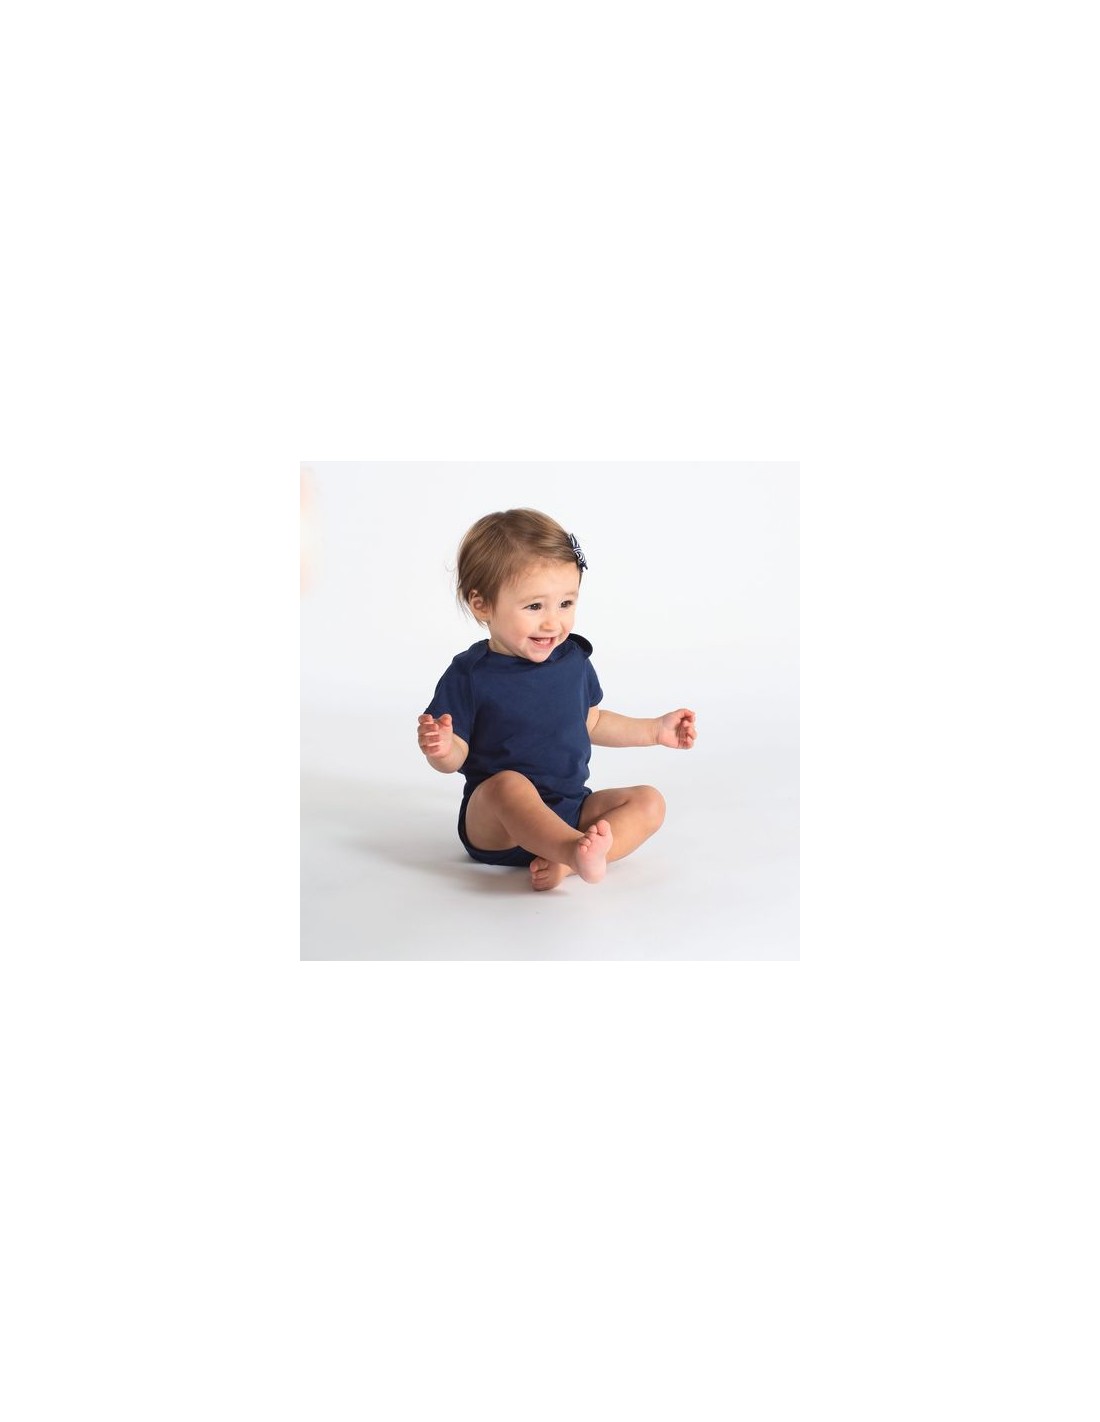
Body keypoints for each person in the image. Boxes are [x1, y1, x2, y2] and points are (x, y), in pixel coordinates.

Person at [418, 508, 697, 891]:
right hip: (498, 827)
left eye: (566, 603)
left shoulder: (572, 661)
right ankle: (572, 851)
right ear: (482, 605)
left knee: (650, 802)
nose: (553, 622)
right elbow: (456, 757)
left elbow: (593, 721)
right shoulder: (471, 674)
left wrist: (654, 730)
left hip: (570, 809)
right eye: (535, 606)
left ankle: (567, 861)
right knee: (508, 785)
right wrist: (441, 748)